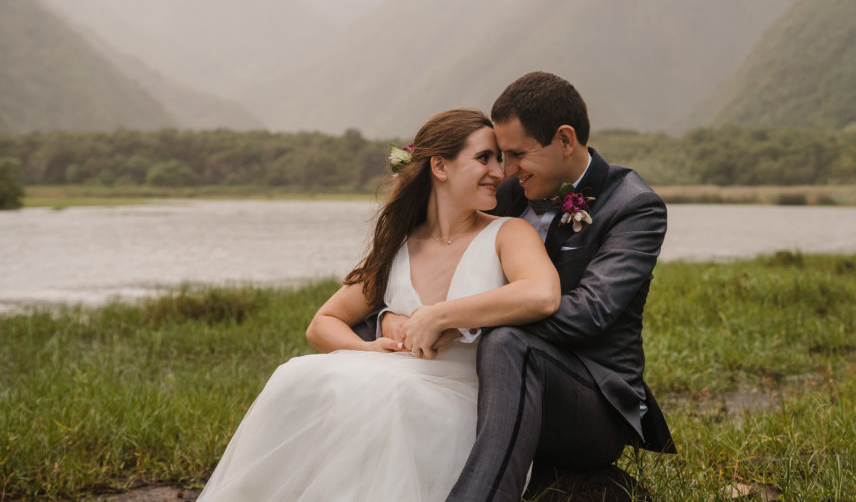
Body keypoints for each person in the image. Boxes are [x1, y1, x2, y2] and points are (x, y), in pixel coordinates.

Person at [197, 108, 560, 501]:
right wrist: (367, 347)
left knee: (391, 396)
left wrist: (438, 315)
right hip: (397, 375)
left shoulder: (507, 232)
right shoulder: (401, 245)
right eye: (483, 158)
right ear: (440, 167)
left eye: (499, 159)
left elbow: (541, 294)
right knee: (297, 375)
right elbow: (323, 323)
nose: (499, 171)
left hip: (465, 396)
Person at [383, 71, 677, 501]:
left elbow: (588, 312)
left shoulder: (633, 207)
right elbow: (431, 262)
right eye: (500, 155)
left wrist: (460, 318)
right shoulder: (504, 194)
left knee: (506, 341)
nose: (505, 169)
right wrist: (393, 317)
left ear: (564, 139)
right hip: (490, 381)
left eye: (517, 154)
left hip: (591, 403)